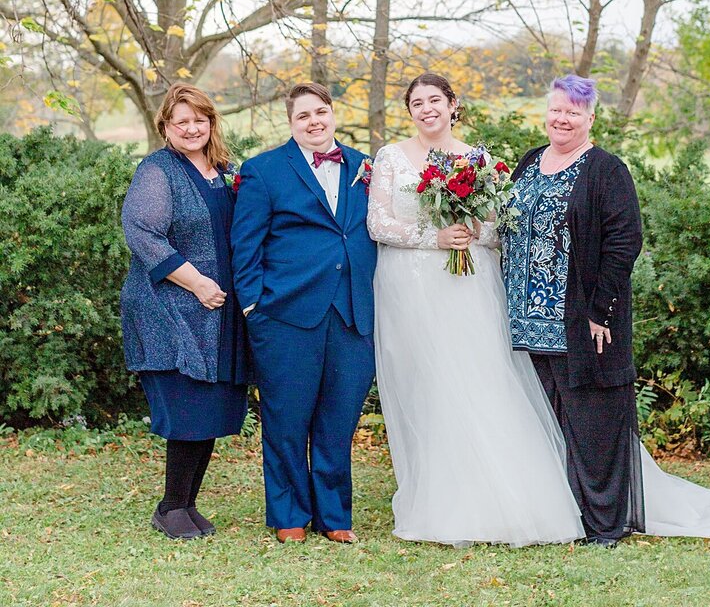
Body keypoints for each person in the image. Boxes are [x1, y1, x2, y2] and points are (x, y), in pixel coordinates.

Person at [505, 73, 710, 545]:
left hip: (581, 325)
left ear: (591, 118)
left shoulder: (606, 170)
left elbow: (623, 243)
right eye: (556, 109)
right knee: (549, 426)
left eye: (573, 111)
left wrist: (598, 312)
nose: (561, 118)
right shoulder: (530, 162)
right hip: (527, 324)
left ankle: (606, 525)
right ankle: (564, 516)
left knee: (593, 428)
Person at [367, 72, 585, 545]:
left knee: (477, 379)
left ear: (452, 104)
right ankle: (435, 494)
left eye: (435, 100)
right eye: (417, 102)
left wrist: (469, 235)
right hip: (409, 286)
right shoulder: (390, 157)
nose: (427, 109)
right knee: (424, 385)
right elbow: (378, 222)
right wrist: (435, 237)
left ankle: (500, 497)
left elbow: (496, 227)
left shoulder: (477, 159)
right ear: (409, 111)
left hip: (467, 286)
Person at [230, 82, 376, 544]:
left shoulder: (365, 167)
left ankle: (334, 517)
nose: (314, 122)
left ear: (333, 114)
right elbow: (245, 246)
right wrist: (255, 307)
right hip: (285, 314)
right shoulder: (263, 171)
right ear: (290, 123)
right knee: (287, 418)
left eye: (321, 112)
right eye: (303, 116)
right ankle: (289, 513)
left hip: (352, 312)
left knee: (339, 418)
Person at [120, 84, 249, 540]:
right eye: (182, 122)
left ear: (211, 123)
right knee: (188, 405)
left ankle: (186, 504)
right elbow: (142, 233)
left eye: (199, 120)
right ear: (166, 128)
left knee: (211, 409)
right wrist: (196, 282)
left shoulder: (226, 171)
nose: (192, 128)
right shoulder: (158, 171)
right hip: (171, 306)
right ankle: (171, 506)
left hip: (217, 311)